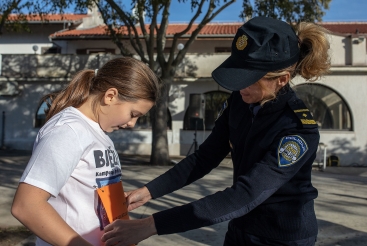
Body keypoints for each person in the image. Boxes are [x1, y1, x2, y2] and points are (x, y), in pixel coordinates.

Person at [101, 16, 331, 246]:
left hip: (282, 237)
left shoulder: (297, 130)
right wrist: (149, 191)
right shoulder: (240, 103)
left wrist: (150, 225)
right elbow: (205, 157)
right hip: (240, 227)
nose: (240, 86)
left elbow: (245, 194)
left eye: (249, 80)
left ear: (282, 80)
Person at [11, 57, 160, 246]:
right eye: (133, 114)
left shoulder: (98, 132)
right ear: (110, 96)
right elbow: (27, 206)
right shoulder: (68, 130)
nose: (132, 124)